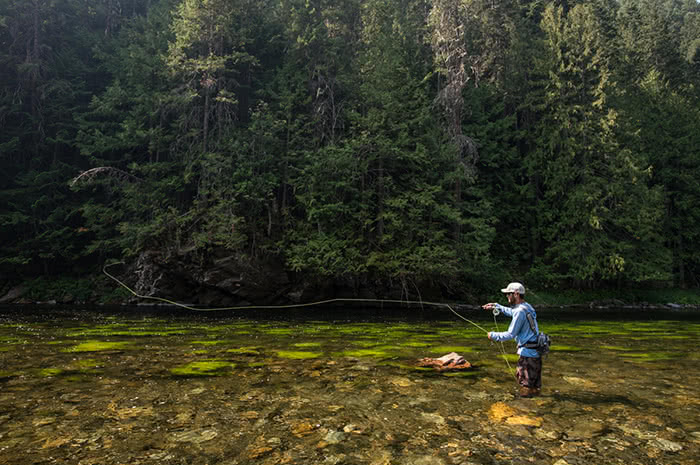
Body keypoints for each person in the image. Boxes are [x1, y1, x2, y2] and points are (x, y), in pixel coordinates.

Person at [482, 282, 542, 397]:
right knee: (534, 386)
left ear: (516, 294)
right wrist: (497, 306)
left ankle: (523, 411)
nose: (507, 296)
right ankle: (536, 407)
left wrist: (493, 335)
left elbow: (510, 334)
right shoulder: (527, 306)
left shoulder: (520, 311)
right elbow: (512, 312)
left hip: (527, 356)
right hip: (535, 353)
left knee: (525, 386)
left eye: (508, 294)